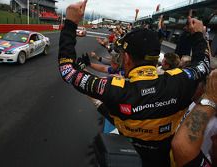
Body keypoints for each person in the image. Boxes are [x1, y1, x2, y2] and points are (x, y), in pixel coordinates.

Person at [58, 1, 210, 166]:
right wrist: (198, 35)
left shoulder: (115, 88)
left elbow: (67, 70)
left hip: (127, 156)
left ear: (127, 58)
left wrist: (70, 22)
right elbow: (203, 65)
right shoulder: (179, 80)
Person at [172, 69, 217, 167]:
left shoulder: (213, 117)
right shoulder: (195, 103)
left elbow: (182, 147)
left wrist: (211, 98)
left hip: (194, 158)